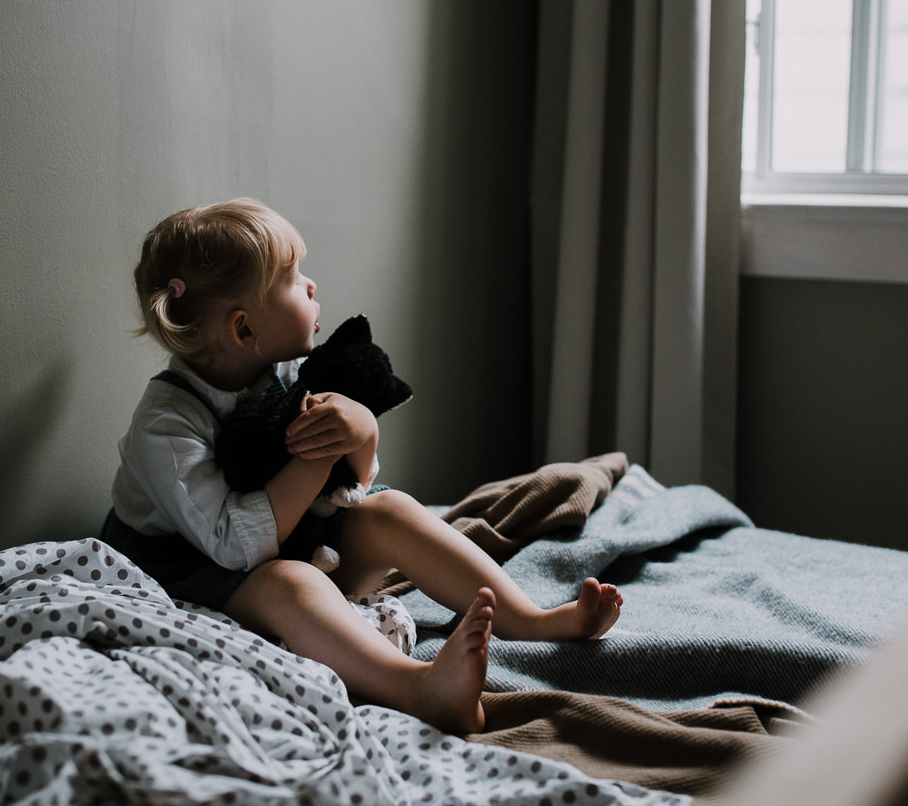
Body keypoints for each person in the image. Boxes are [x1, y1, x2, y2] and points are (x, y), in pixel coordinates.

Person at [103, 197, 623, 734]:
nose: (311, 286)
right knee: (291, 582)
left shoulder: (285, 370)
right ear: (243, 330)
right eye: (292, 277)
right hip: (189, 571)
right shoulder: (165, 424)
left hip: (290, 539)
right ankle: (418, 688)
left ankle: (530, 618)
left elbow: (357, 482)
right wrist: (317, 455)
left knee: (391, 507)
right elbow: (236, 546)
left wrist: (360, 432)